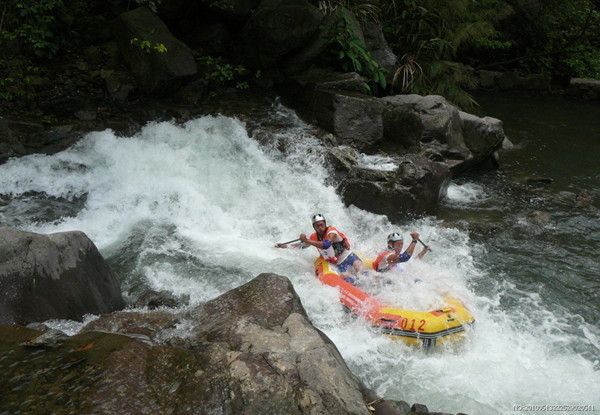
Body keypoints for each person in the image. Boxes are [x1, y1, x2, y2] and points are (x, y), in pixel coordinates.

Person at [276, 214, 364, 276]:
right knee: (350, 280)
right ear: (314, 227)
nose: (320, 228)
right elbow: (301, 246)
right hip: (337, 264)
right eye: (317, 226)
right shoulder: (313, 237)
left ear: (325, 224)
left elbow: (326, 244)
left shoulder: (332, 232)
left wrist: (307, 240)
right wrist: (285, 246)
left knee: (361, 271)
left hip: (348, 256)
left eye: (322, 225)